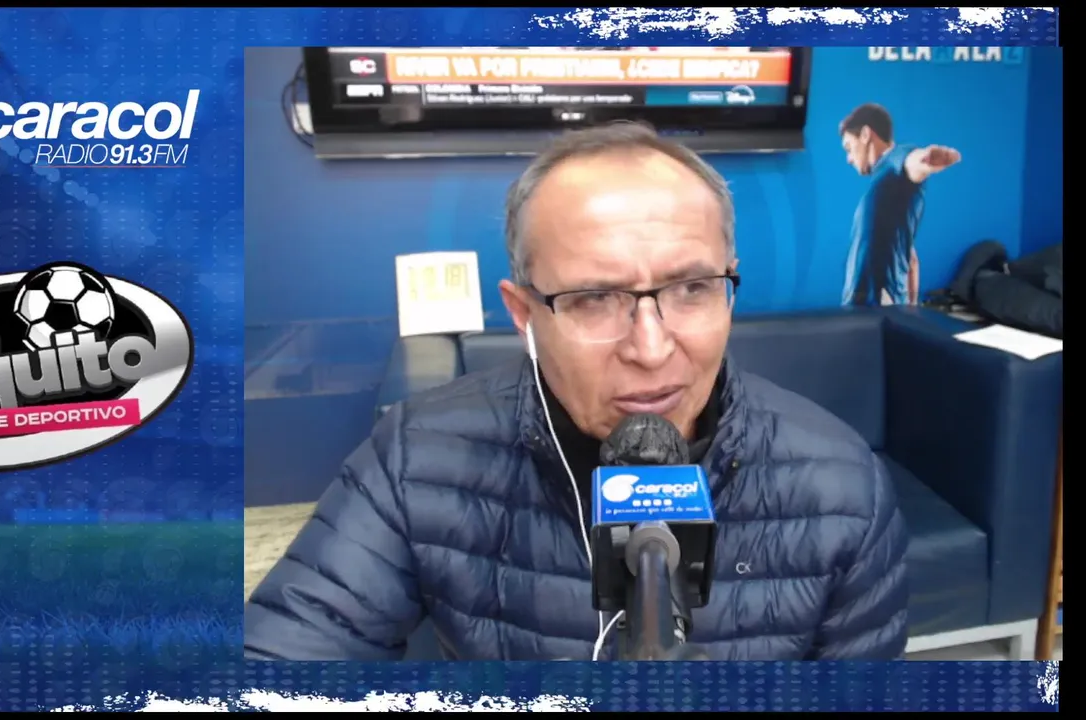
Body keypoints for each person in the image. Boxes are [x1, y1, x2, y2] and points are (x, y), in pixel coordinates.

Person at [244, 120, 909, 661]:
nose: (651, 348)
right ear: (524, 313)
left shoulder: (843, 487)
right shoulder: (416, 459)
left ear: (728, 288)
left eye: (691, 288)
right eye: (593, 298)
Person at [839, 103, 961, 307]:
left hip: (877, 310)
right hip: (859, 309)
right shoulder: (882, 187)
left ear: (866, 135)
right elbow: (910, 258)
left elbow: (911, 160)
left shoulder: (895, 159)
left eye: (849, 148)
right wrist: (912, 308)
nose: (849, 159)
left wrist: (925, 160)